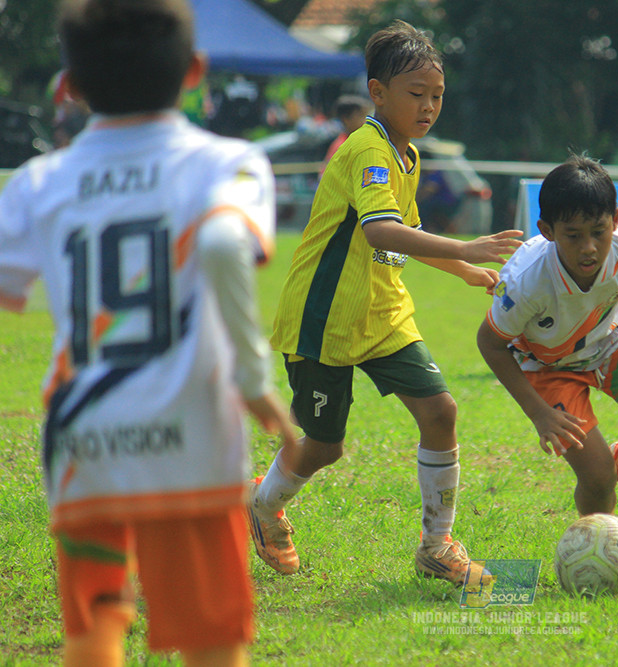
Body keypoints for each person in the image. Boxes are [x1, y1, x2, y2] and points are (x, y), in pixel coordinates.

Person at [0, 0, 297, 664]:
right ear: (195, 71)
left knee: (96, 626)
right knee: (210, 637)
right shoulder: (230, 162)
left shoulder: (41, 181)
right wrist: (253, 377)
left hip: (84, 435)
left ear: (70, 86)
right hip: (191, 430)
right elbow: (224, 244)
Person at [252, 20, 522, 583]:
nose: (429, 107)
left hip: (384, 313)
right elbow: (380, 231)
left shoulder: (408, 156)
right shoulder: (367, 151)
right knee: (325, 446)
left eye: (437, 96)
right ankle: (263, 504)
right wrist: (467, 243)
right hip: (323, 320)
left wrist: (466, 269)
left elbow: (407, 228)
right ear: (378, 93)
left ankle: (436, 546)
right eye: (416, 94)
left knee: (441, 411)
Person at [477, 155, 618, 539]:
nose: (589, 247)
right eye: (573, 235)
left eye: (598, 232)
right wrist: (539, 414)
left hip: (611, 340)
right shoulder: (524, 281)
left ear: (614, 220)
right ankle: (593, 552)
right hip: (547, 366)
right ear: (547, 230)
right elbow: (490, 344)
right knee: (598, 478)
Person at [322, 93, 374, 167]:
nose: (365, 121)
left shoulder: (361, 142)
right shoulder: (341, 146)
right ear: (346, 119)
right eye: (361, 116)